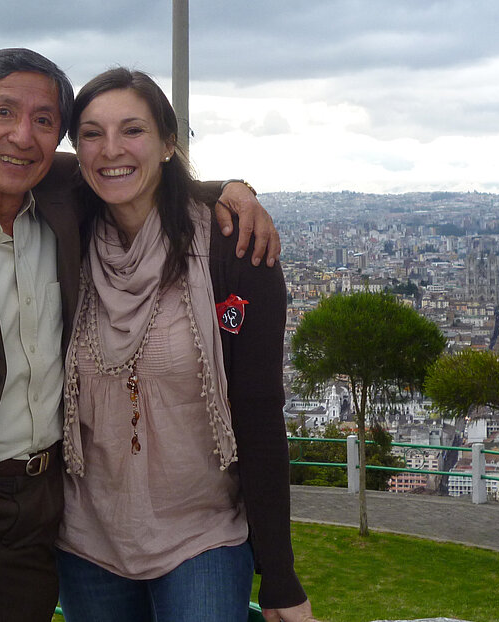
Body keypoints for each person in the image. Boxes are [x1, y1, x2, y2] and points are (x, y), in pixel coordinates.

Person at [0, 48, 280, 622]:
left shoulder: (60, 193)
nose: (23, 137)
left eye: (44, 120)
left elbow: (139, 172)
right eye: (3, 112)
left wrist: (232, 189)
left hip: (42, 507)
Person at [55, 67, 316, 622]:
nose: (111, 149)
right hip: (87, 539)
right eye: (92, 134)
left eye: (133, 130)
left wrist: (280, 576)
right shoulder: (64, 235)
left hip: (202, 535)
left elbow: (259, 413)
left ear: (169, 142)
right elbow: (4, 168)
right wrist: (224, 185)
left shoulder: (232, 251)